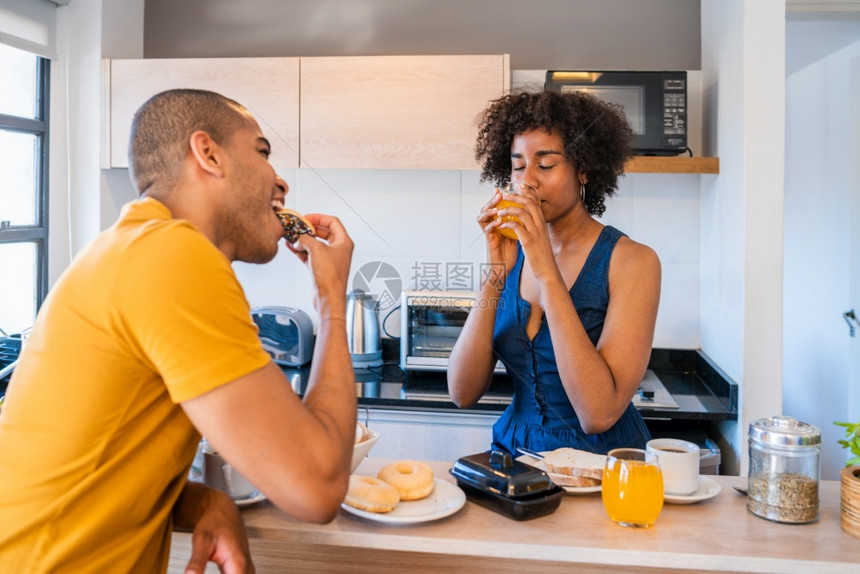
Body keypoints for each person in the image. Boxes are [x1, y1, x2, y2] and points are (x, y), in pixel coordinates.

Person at [0, 89, 357, 573]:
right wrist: (333, 301)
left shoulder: (129, 247)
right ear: (208, 154)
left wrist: (205, 503)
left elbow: (99, 471)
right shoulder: (175, 256)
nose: (281, 183)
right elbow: (316, 488)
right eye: (262, 152)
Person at [447, 89, 661, 456]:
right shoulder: (513, 256)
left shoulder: (634, 262)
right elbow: (462, 393)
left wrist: (546, 270)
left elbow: (598, 414)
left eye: (545, 165)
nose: (527, 180)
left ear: (583, 169)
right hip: (515, 460)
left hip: (602, 467)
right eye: (518, 166)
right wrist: (495, 274)